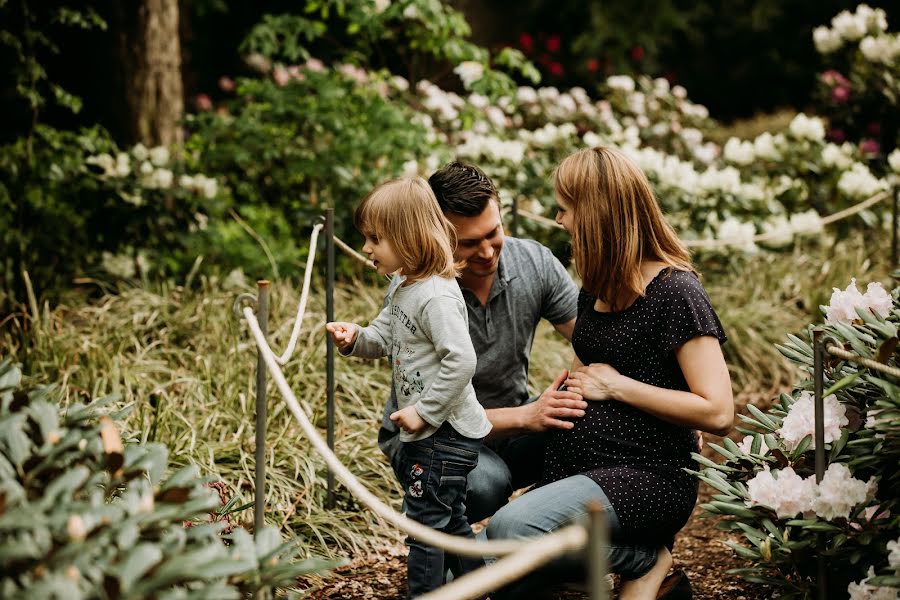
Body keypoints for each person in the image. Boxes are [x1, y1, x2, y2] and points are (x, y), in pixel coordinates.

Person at [485, 146, 734, 600]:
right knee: (477, 561)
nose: (559, 221)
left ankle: (643, 559)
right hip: (581, 466)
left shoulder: (676, 293)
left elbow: (717, 411)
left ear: (595, 213)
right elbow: (591, 369)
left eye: (564, 209)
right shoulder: (595, 289)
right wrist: (558, 397)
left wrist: (617, 387)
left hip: (648, 475)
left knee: (510, 529)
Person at [376, 162, 586, 524]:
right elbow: (430, 413)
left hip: (513, 428)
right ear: (435, 234)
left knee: (594, 415)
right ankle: (430, 518)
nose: (487, 252)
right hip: (430, 434)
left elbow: (596, 343)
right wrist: (525, 416)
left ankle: (533, 536)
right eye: (469, 243)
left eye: (493, 233)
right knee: (487, 484)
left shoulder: (535, 262)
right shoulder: (415, 287)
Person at [325, 177, 493, 597]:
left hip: (443, 433)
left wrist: (425, 411)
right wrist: (355, 337)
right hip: (432, 432)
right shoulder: (403, 285)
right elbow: (384, 335)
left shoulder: (436, 297)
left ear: (408, 237)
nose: (367, 248)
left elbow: (462, 359)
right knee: (449, 520)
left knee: (424, 524)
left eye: (375, 238)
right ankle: (484, 588)